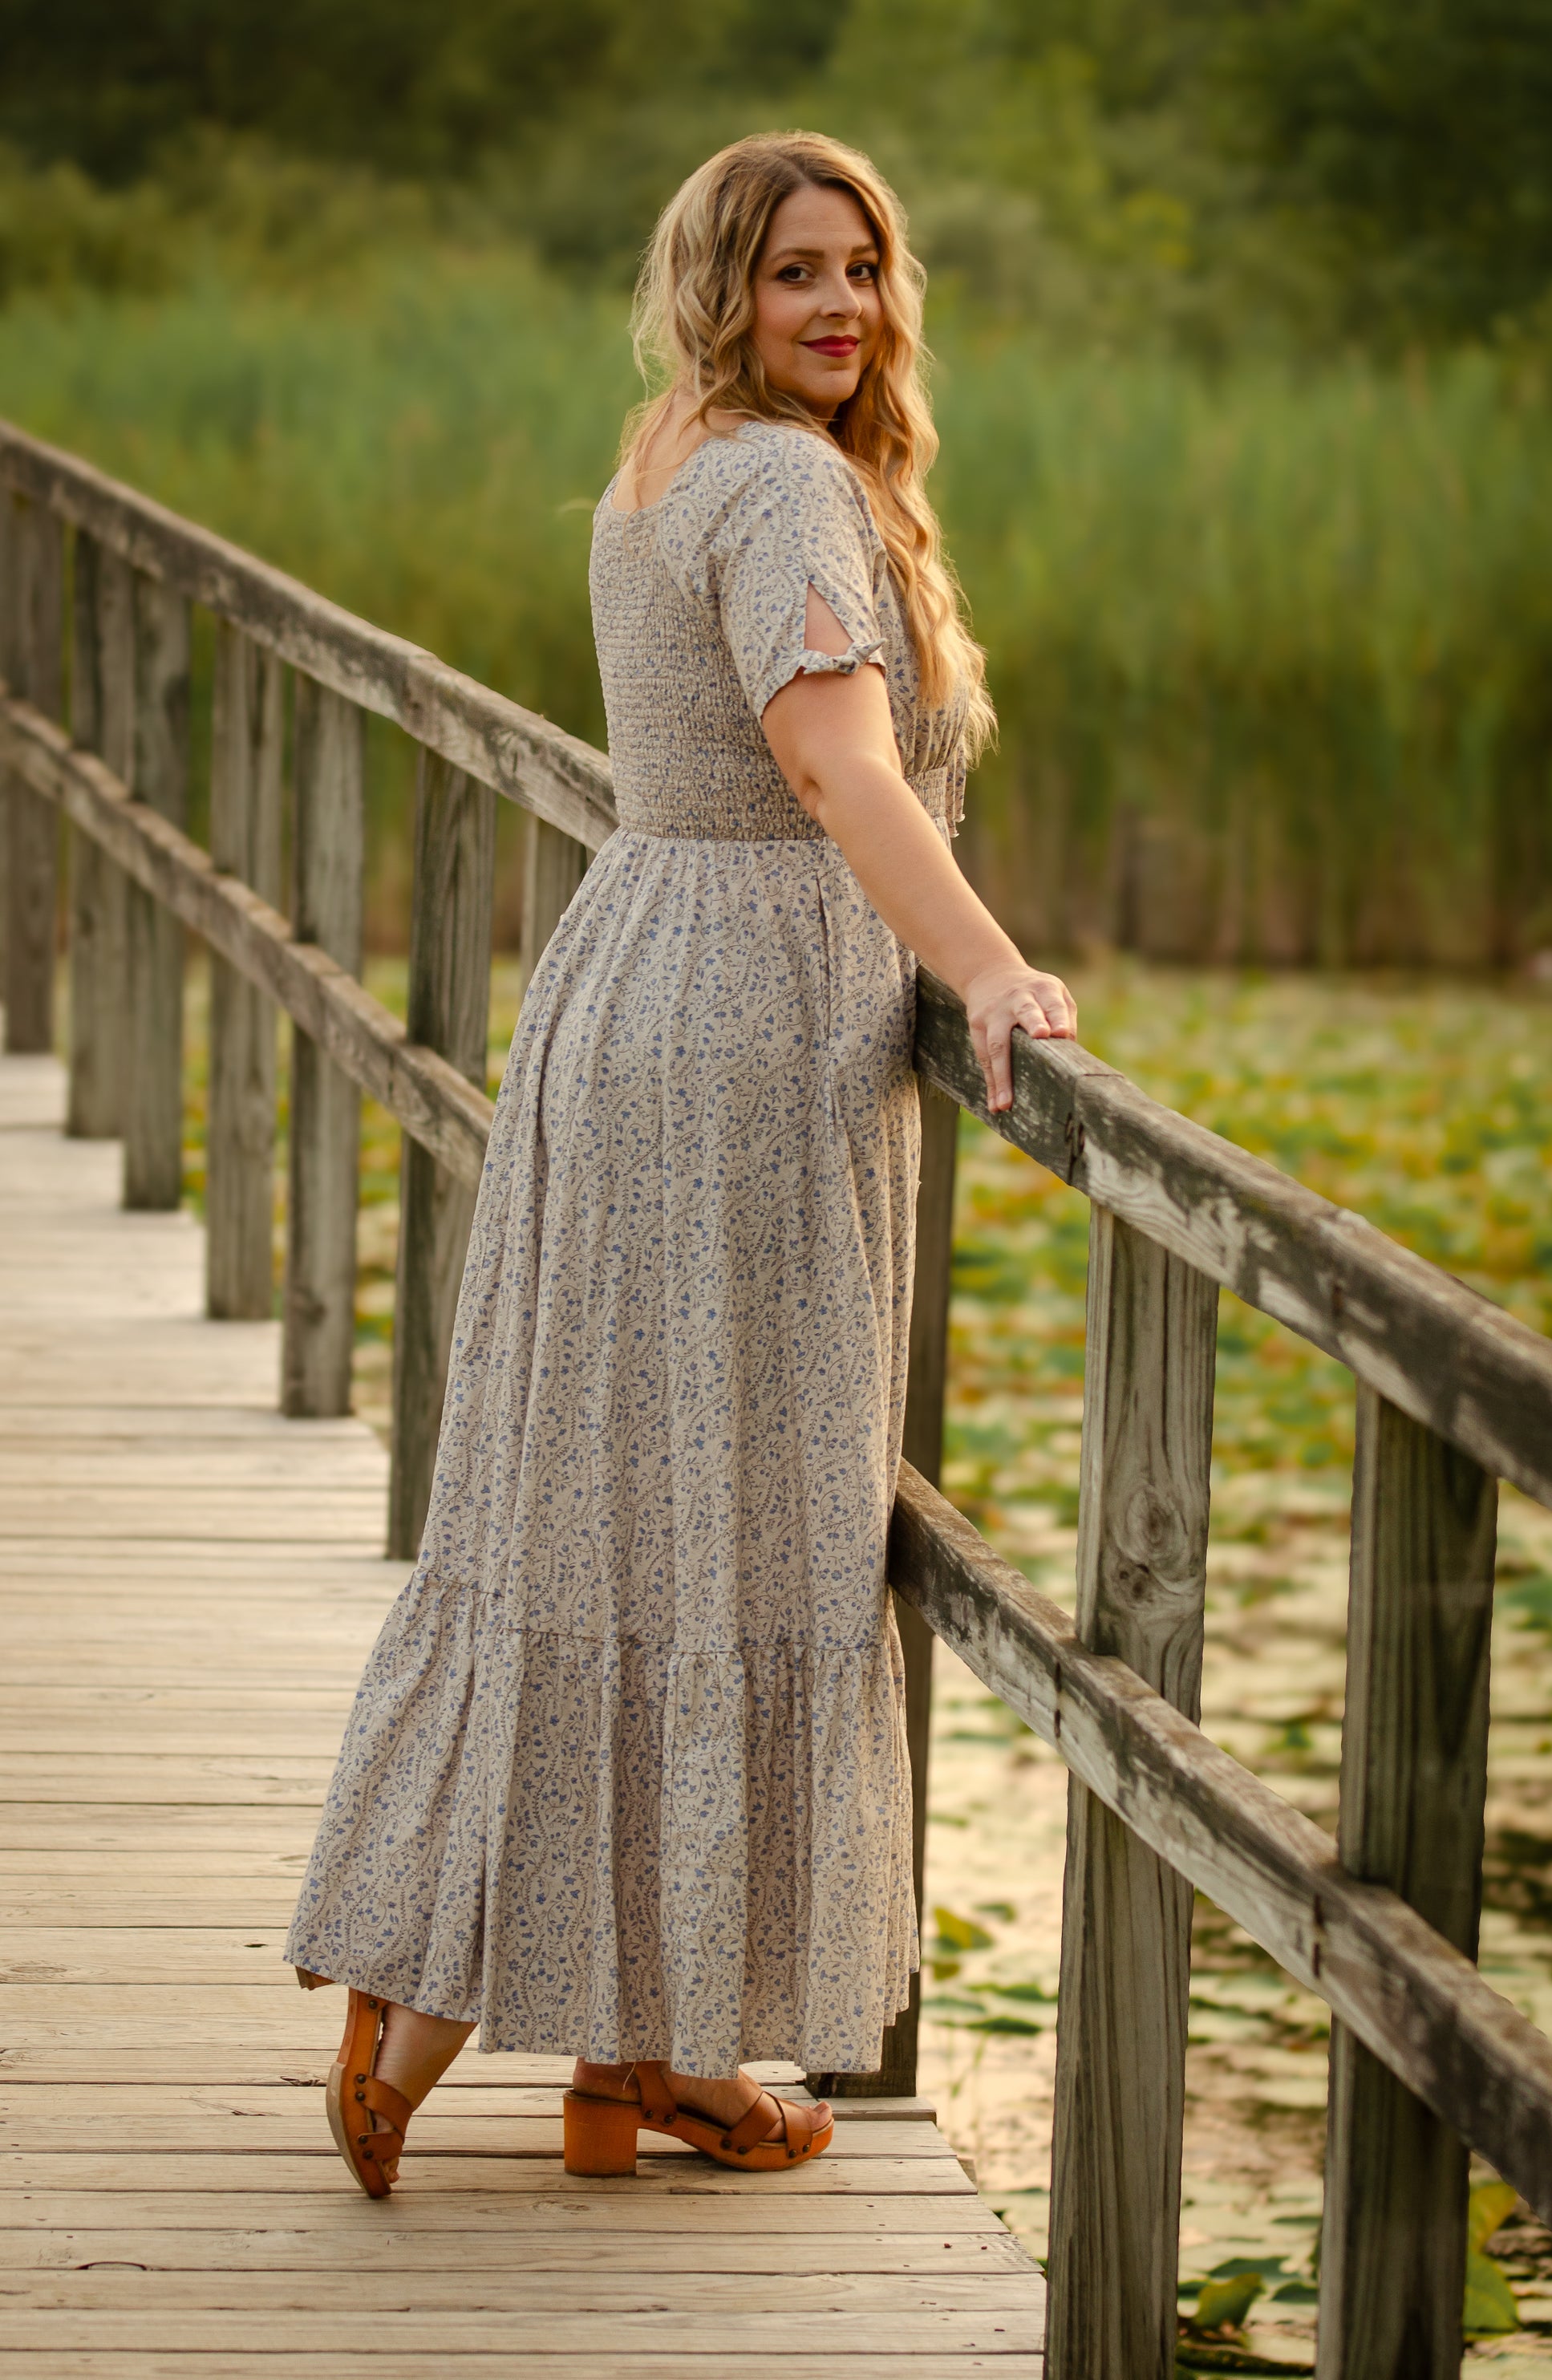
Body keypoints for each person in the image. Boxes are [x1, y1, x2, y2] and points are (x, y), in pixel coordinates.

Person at [285, 128, 1076, 2196]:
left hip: (636, 972)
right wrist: (991, 974)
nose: (835, 307)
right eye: (788, 272)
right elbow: (829, 760)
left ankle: (641, 2052)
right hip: (742, 1030)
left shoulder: (669, 453)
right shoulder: (789, 481)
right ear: (716, 289)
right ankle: (457, 1980)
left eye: (861, 271)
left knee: (621, 1504)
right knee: (742, 1518)